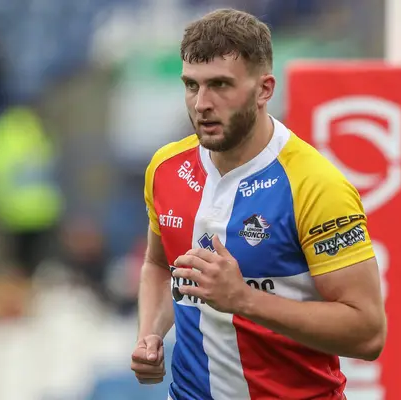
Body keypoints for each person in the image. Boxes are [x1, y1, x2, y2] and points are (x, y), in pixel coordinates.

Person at [131, 8, 387, 400]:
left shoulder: (315, 185)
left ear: (264, 89)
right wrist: (150, 334)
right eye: (191, 85)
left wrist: (244, 300)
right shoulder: (166, 168)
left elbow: (368, 332)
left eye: (220, 85)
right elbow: (160, 266)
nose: (201, 103)